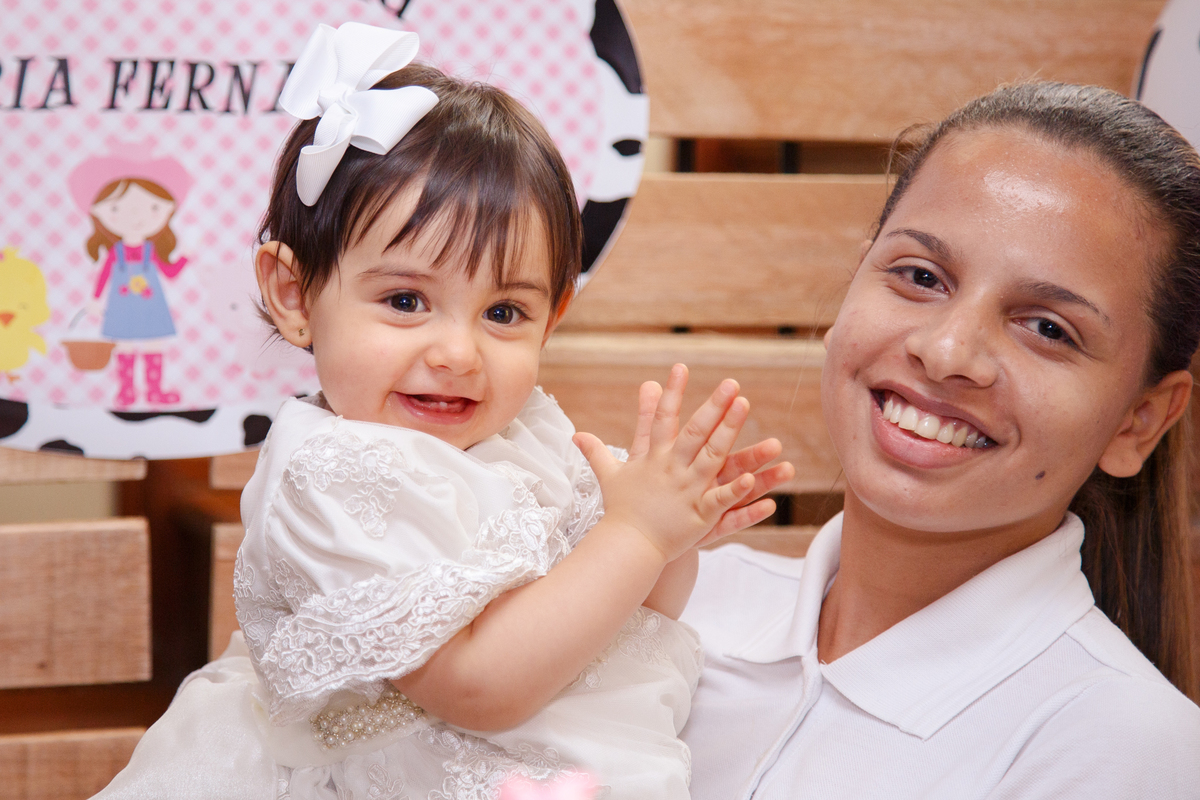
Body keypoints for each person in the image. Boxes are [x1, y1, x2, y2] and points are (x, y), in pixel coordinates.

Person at [93, 22, 792, 800]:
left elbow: (637, 611)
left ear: (552, 316)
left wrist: (669, 536)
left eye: (503, 314)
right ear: (294, 296)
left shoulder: (527, 434)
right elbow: (480, 688)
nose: (458, 352)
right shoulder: (330, 479)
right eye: (405, 301)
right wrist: (634, 535)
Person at [679, 81, 1200, 799]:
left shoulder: (1122, 746)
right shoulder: (681, 600)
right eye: (920, 276)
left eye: (1048, 327)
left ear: (1139, 421)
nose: (948, 349)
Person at [68, 142, 192, 406]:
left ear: (167, 210)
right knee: (123, 347)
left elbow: (169, 273)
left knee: (153, 346)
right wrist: (95, 298)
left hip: (151, 308)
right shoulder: (116, 252)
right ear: (100, 213)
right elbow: (103, 276)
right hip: (121, 307)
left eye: (152, 208)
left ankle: (154, 391)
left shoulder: (152, 250)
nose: (135, 215)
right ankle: (126, 391)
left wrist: (186, 256)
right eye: (116, 208)